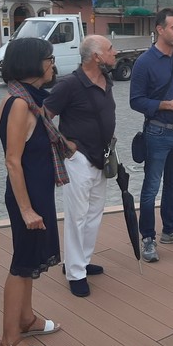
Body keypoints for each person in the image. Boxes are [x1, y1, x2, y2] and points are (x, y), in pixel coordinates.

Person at [0, 37, 66, 346]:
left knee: (30, 261)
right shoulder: (19, 104)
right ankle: (9, 340)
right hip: (27, 199)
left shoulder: (30, 99)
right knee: (22, 264)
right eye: (49, 58)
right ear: (33, 63)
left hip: (38, 194)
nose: (53, 63)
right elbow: (12, 159)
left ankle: (26, 318)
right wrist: (26, 209)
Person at [44, 35, 117, 297]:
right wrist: (64, 144)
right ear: (96, 57)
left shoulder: (106, 79)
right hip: (79, 160)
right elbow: (43, 116)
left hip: (102, 157)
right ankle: (75, 273)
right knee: (76, 217)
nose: (115, 52)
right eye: (110, 49)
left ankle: (82, 262)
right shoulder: (70, 85)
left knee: (94, 214)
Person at [130, 8, 173, 263]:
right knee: (151, 188)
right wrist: (166, 105)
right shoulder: (144, 62)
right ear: (160, 29)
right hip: (157, 132)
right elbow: (135, 101)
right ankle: (147, 237)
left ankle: (170, 230)